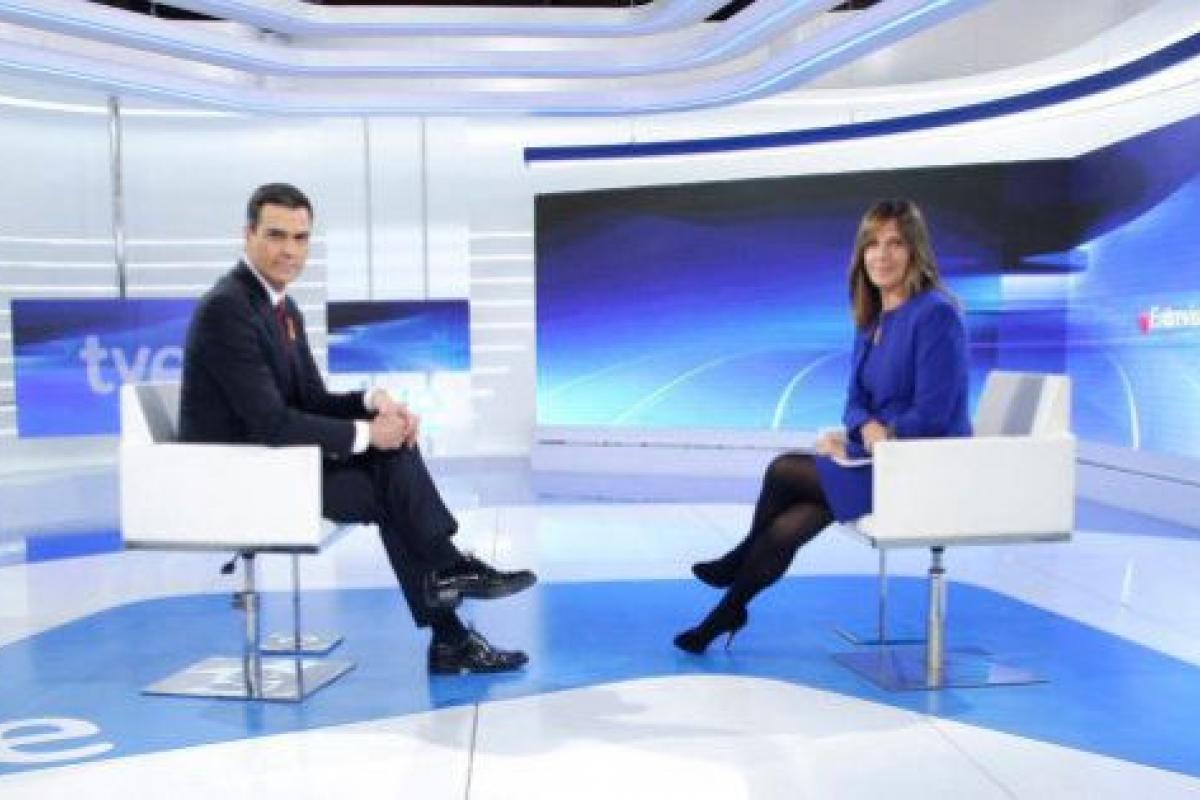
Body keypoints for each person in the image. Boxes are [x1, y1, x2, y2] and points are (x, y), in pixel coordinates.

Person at [180, 182, 536, 674]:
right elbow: (272, 422)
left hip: (278, 464)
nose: (289, 250)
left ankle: (450, 614)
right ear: (248, 235)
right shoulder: (228, 309)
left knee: (394, 461)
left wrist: (374, 404)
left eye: (300, 238)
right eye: (276, 235)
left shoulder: (281, 308)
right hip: (241, 477)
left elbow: (311, 400)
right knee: (392, 482)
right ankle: (449, 587)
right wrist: (370, 435)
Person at [675, 198, 970, 654]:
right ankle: (727, 612)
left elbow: (934, 412)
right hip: (879, 460)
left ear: (916, 251)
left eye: (895, 243)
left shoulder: (936, 314)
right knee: (790, 525)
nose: (882, 255)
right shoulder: (871, 319)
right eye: (872, 244)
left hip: (921, 465)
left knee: (784, 471)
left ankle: (737, 564)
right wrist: (859, 433)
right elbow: (853, 403)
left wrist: (872, 439)